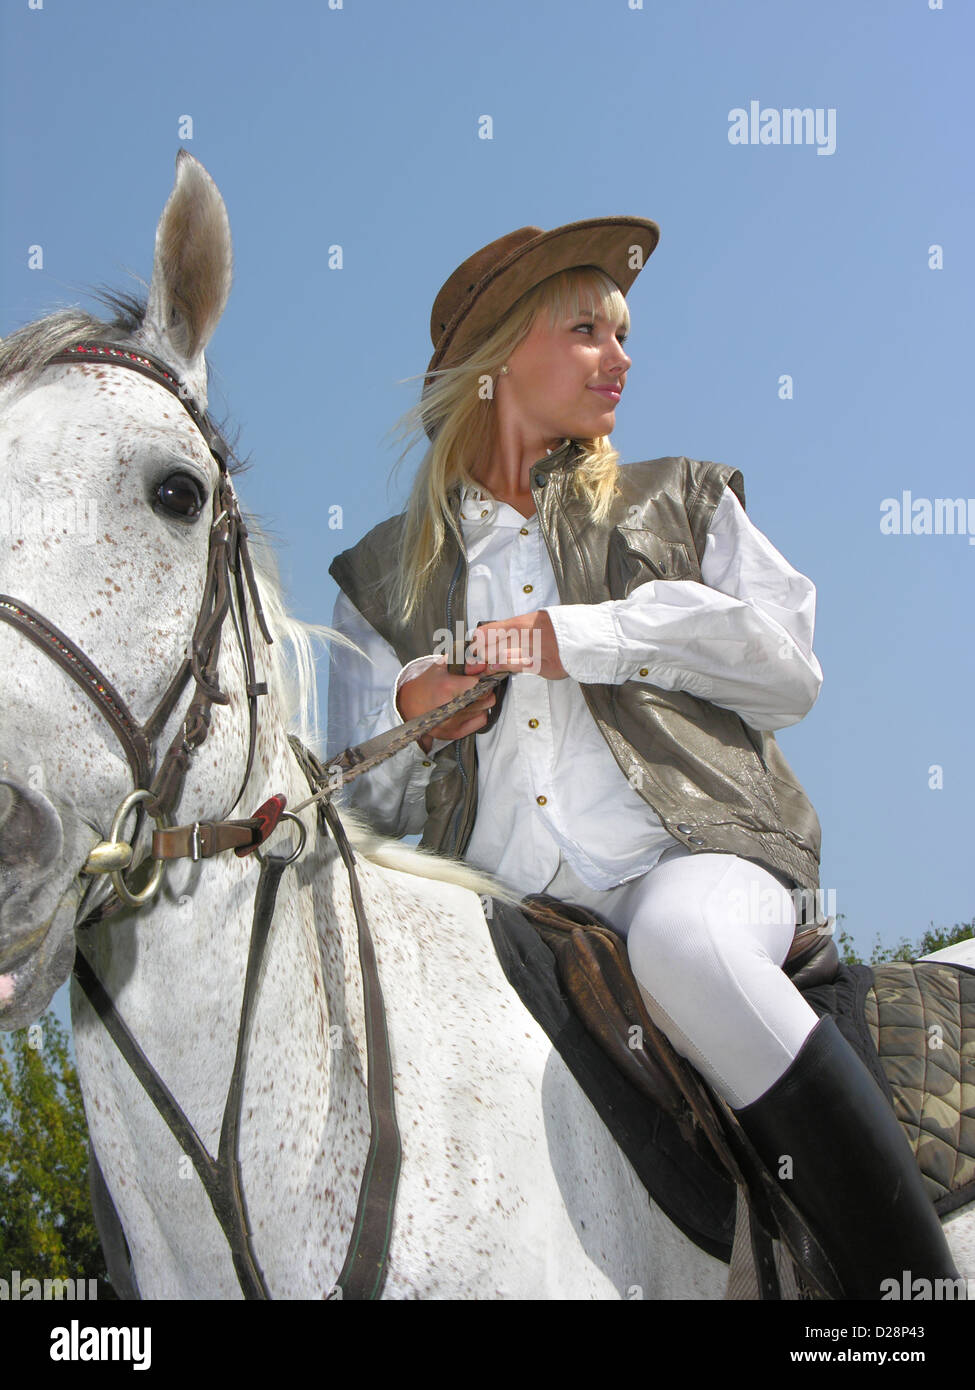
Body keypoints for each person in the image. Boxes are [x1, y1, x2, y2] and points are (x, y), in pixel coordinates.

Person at [326, 218, 958, 1298]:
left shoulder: (682, 497)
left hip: (693, 863)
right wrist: (412, 709)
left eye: (621, 335)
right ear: (496, 362)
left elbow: (790, 667)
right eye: (587, 331)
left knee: (686, 947)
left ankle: (914, 1292)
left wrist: (589, 635)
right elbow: (361, 812)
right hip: (500, 920)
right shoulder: (376, 578)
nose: (622, 358)